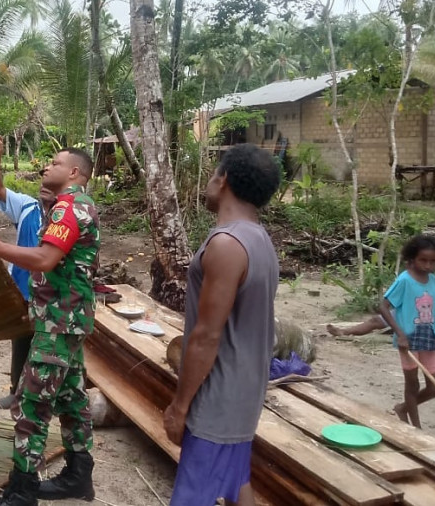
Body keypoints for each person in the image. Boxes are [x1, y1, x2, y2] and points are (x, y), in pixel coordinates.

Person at [0, 147, 100, 506]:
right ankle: (78, 476)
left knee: (31, 405)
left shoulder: (69, 207)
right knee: (73, 399)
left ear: (75, 172)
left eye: (56, 163)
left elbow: (46, 258)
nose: (48, 166)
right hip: (69, 320)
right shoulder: (72, 205)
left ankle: (22, 491)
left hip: (60, 322)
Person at [163, 144, 281, 506]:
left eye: (214, 173)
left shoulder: (227, 244)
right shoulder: (259, 239)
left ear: (224, 179)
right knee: (237, 483)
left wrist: (180, 406)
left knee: (193, 495)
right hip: (244, 391)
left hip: (219, 396)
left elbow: (205, 337)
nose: (210, 181)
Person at [0, 135, 56, 410]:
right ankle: (17, 389)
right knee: (21, 339)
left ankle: (42, 395)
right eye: (42, 182)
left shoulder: (69, 217)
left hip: (51, 293)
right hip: (22, 287)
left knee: (48, 343)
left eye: (50, 186)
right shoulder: (27, 207)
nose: (43, 187)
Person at [378, 235, 435, 429]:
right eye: (423, 260)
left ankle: (403, 408)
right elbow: (384, 307)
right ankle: (416, 428)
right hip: (409, 341)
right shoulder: (404, 280)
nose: (428, 265)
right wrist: (400, 334)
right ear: (411, 258)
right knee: (412, 385)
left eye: (433, 261)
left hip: (430, 340)